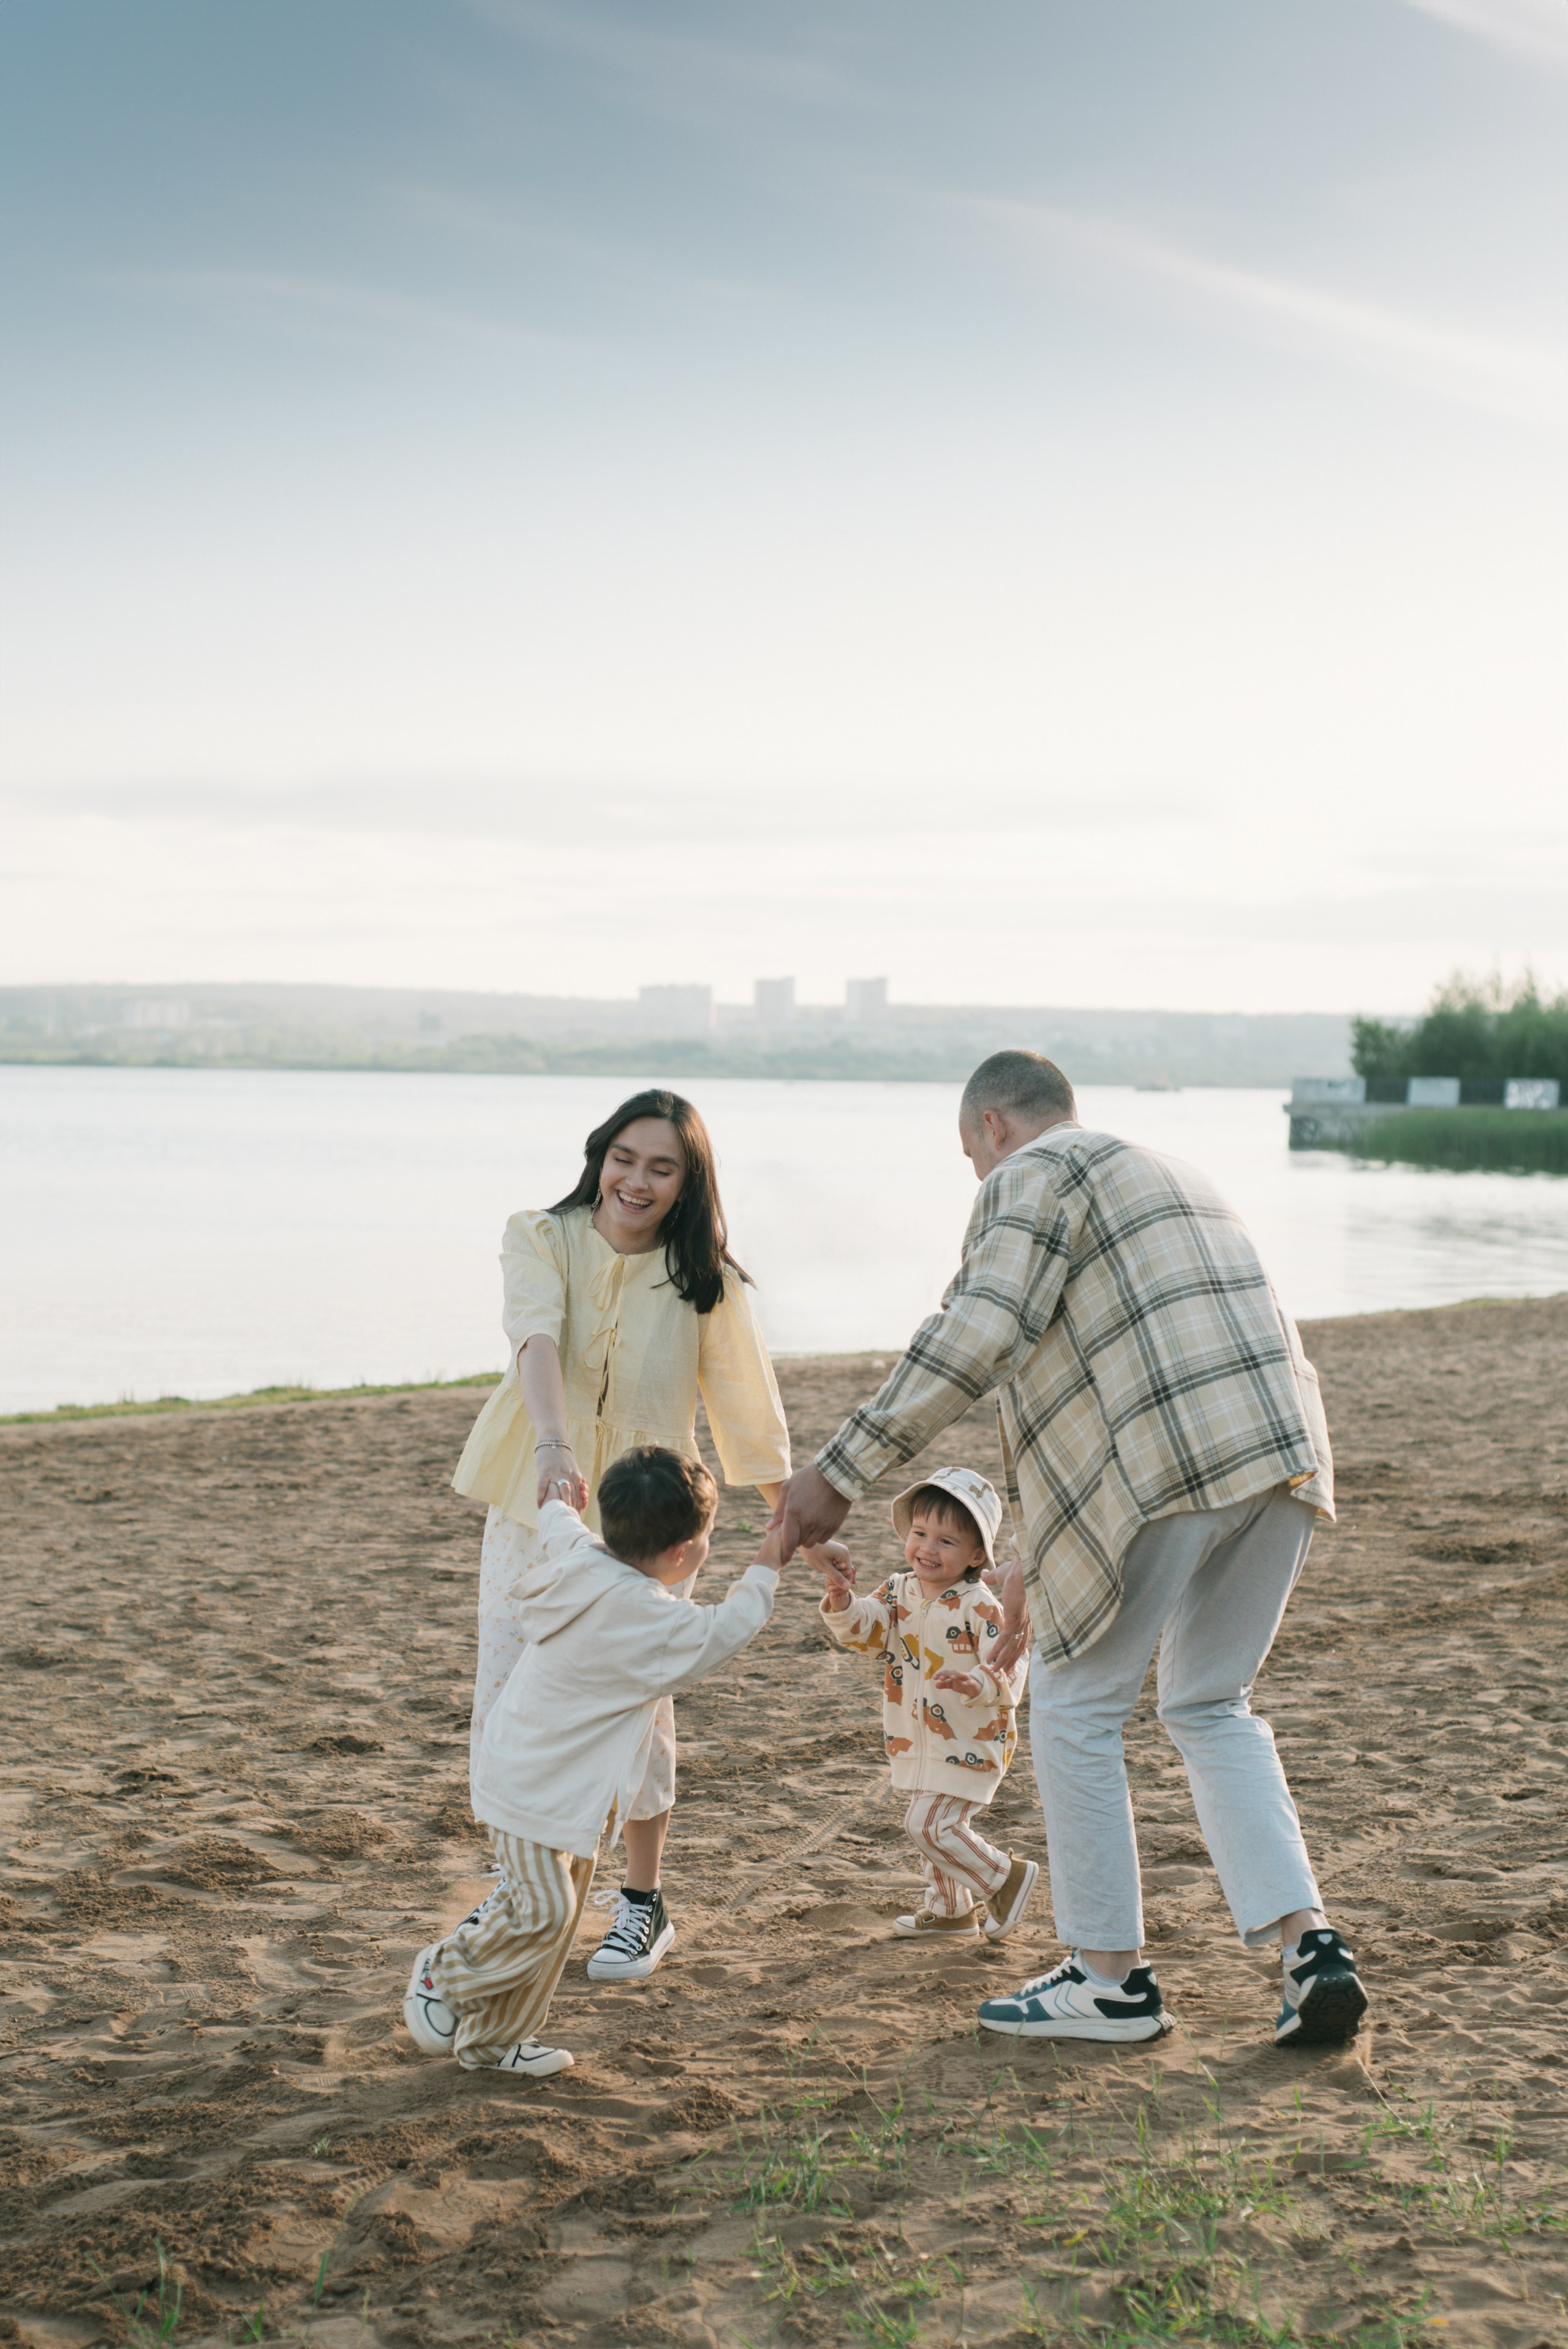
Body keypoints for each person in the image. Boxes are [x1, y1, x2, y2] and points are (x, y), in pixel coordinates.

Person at [774, 1049, 1367, 2051]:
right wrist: (1039, 1560)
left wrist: (837, 1471)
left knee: (1076, 1707)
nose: (979, 1180)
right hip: (1286, 1453)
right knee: (1212, 1705)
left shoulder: (1030, 1173)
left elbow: (978, 1332)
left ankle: (1110, 1979)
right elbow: (1089, 1370)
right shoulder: (1176, 1171)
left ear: (993, 1128)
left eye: (971, 1156)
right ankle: (1312, 1949)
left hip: (1172, 1459)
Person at [451, 1088, 791, 1983]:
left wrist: (791, 1516)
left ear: (688, 1182)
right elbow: (535, 1334)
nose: (637, 1180)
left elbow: (746, 1406)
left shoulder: (705, 1279)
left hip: (649, 1521)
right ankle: (524, 1884)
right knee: (514, 1684)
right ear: (601, 1155)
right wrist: (555, 1442)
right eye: (625, 1158)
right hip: (542, 1497)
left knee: (638, 1705)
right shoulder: (540, 1233)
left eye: (662, 1166)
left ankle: (640, 1902)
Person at [404, 1447, 785, 2076]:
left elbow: (558, 1519)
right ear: (681, 1554)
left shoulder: (581, 1554)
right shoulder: (651, 1619)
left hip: (559, 1787)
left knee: (556, 1923)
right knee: (544, 1909)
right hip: (530, 1787)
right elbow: (727, 1628)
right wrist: (768, 1563)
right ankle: (442, 1972)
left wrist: (558, 1493)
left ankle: (494, 2042)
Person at [816, 1466, 1038, 1940]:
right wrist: (843, 1602)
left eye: (946, 1541)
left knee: (929, 1825)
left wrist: (976, 1683)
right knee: (931, 1823)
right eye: (920, 1533)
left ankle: (1005, 1877)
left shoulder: (982, 1606)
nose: (928, 1549)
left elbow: (1009, 1665)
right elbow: (870, 1632)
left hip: (969, 1739)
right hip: (912, 1735)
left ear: (978, 1553)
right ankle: (951, 1910)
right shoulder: (899, 1590)